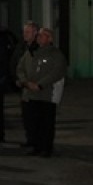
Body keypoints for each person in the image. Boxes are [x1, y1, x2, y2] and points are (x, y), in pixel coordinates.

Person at [16, 27, 67, 158]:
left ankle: (46, 148)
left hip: (46, 94)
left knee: (46, 123)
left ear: (49, 38)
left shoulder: (56, 54)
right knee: (34, 122)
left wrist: (40, 84)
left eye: (42, 36)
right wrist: (25, 82)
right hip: (31, 93)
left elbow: (57, 72)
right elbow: (21, 68)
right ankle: (36, 146)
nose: (39, 38)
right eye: (38, 36)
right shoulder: (32, 52)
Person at [12, 21, 39, 147]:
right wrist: (18, 79)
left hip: (35, 87)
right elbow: (15, 63)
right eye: (24, 32)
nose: (25, 34)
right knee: (27, 116)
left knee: (36, 116)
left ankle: (37, 142)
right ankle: (30, 140)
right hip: (23, 86)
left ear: (35, 33)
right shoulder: (21, 46)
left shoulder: (38, 47)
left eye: (28, 32)